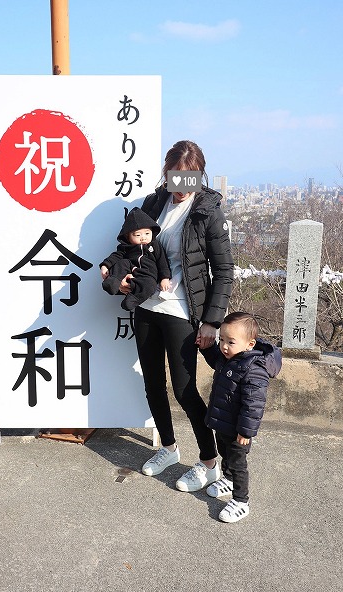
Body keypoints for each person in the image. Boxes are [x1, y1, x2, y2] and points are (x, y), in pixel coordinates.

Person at [119, 140, 234, 492]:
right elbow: (129, 248)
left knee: (184, 390)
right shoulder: (154, 203)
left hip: (182, 312)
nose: (181, 187)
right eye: (175, 178)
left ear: (199, 176)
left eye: (189, 179)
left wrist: (212, 322)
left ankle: (209, 462)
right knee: (152, 383)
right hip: (146, 308)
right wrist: (124, 275)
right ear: (166, 175)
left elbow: (224, 271)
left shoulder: (206, 211)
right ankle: (168, 448)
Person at [200, 312, 282, 522]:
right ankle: (226, 479)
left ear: (249, 344)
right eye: (222, 341)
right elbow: (216, 361)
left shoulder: (254, 370)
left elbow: (254, 404)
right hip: (223, 422)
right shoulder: (230, 358)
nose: (224, 346)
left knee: (238, 463)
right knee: (224, 454)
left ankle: (241, 501)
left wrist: (246, 431)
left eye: (230, 342)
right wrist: (207, 348)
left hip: (238, 430)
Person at [100, 207, 171, 311]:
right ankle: (112, 282)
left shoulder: (155, 245)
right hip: (130, 268)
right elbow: (116, 256)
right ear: (128, 237)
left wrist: (165, 278)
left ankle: (134, 299)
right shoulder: (126, 247)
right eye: (138, 235)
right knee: (122, 262)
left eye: (147, 233)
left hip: (147, 274)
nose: (143, 237)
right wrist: (105, 265)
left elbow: (162, 261)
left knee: (149, 286)